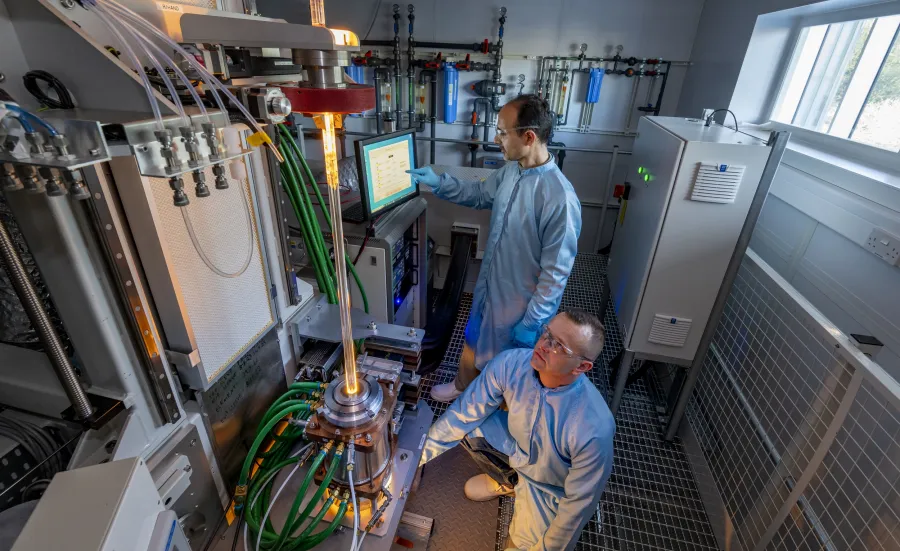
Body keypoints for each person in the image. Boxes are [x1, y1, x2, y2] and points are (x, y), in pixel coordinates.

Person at [408, 94, 581, 403]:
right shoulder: (512, 171)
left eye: (503, 132)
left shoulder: (559, 199)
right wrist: (438, 182)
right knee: (474, 337)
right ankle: (463, 386)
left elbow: (555, 276)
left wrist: (531, 325)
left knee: (507, 367)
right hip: (492, 285)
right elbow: (479, 194)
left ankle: (493, 414)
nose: (496, 138)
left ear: (528, 137)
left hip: (519, 304)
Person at [420, 309, 615, 551]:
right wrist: (411, 460)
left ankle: (527, 497)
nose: (543, 345)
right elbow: (461, 416)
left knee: (524, 546)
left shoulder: (594, 428)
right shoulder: (512, 364)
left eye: (559, 346)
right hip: (519, 450)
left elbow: (577, 506)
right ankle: (510, 482)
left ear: (582, 367)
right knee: (469, 426)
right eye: (547, 334)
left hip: (550, 487)